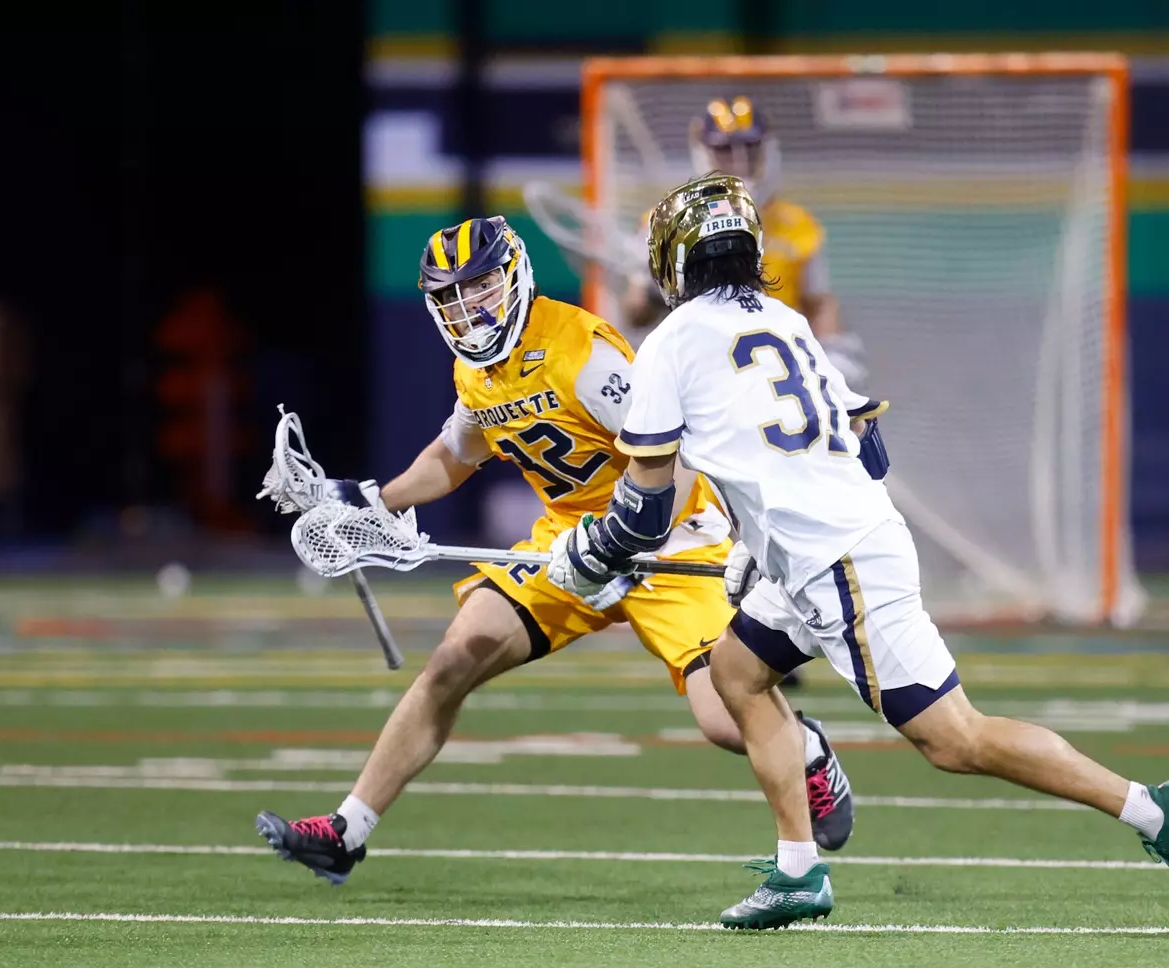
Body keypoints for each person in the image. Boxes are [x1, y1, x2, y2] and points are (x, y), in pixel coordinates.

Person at [547, 175, 1169, 929]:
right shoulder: (786, 319)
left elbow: (644, 510)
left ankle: (1155, 812)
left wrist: (589, 553)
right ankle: (799, 871)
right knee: (736, 673)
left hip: (837, 564)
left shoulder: (669, 342)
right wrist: (758, 540)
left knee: (956, 740)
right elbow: (868, 448)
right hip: (827, 547)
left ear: (674, 260)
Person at [254, 215, 854, 884]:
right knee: (454, 658)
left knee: (723, 715)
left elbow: (675, 457)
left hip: (669, 536)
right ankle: (346, 831)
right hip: (569, 543)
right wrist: (370, 500)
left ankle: (806, 752)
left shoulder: (579, 352)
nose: (466, 308)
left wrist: (627, 535)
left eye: (477, 287)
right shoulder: (477, 372)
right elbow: (453, 455)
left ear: (512, 278)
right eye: (449, 297)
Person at [621, 96, 863, 387]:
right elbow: (635, 315)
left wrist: (832, 351)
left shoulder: (799, 225)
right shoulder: (662, 224)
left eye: (749, 148)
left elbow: (820, 302)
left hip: (778, 377)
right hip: (699, 377)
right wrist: (652, 289)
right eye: (724, 150)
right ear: (704, 153)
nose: (739, 161)